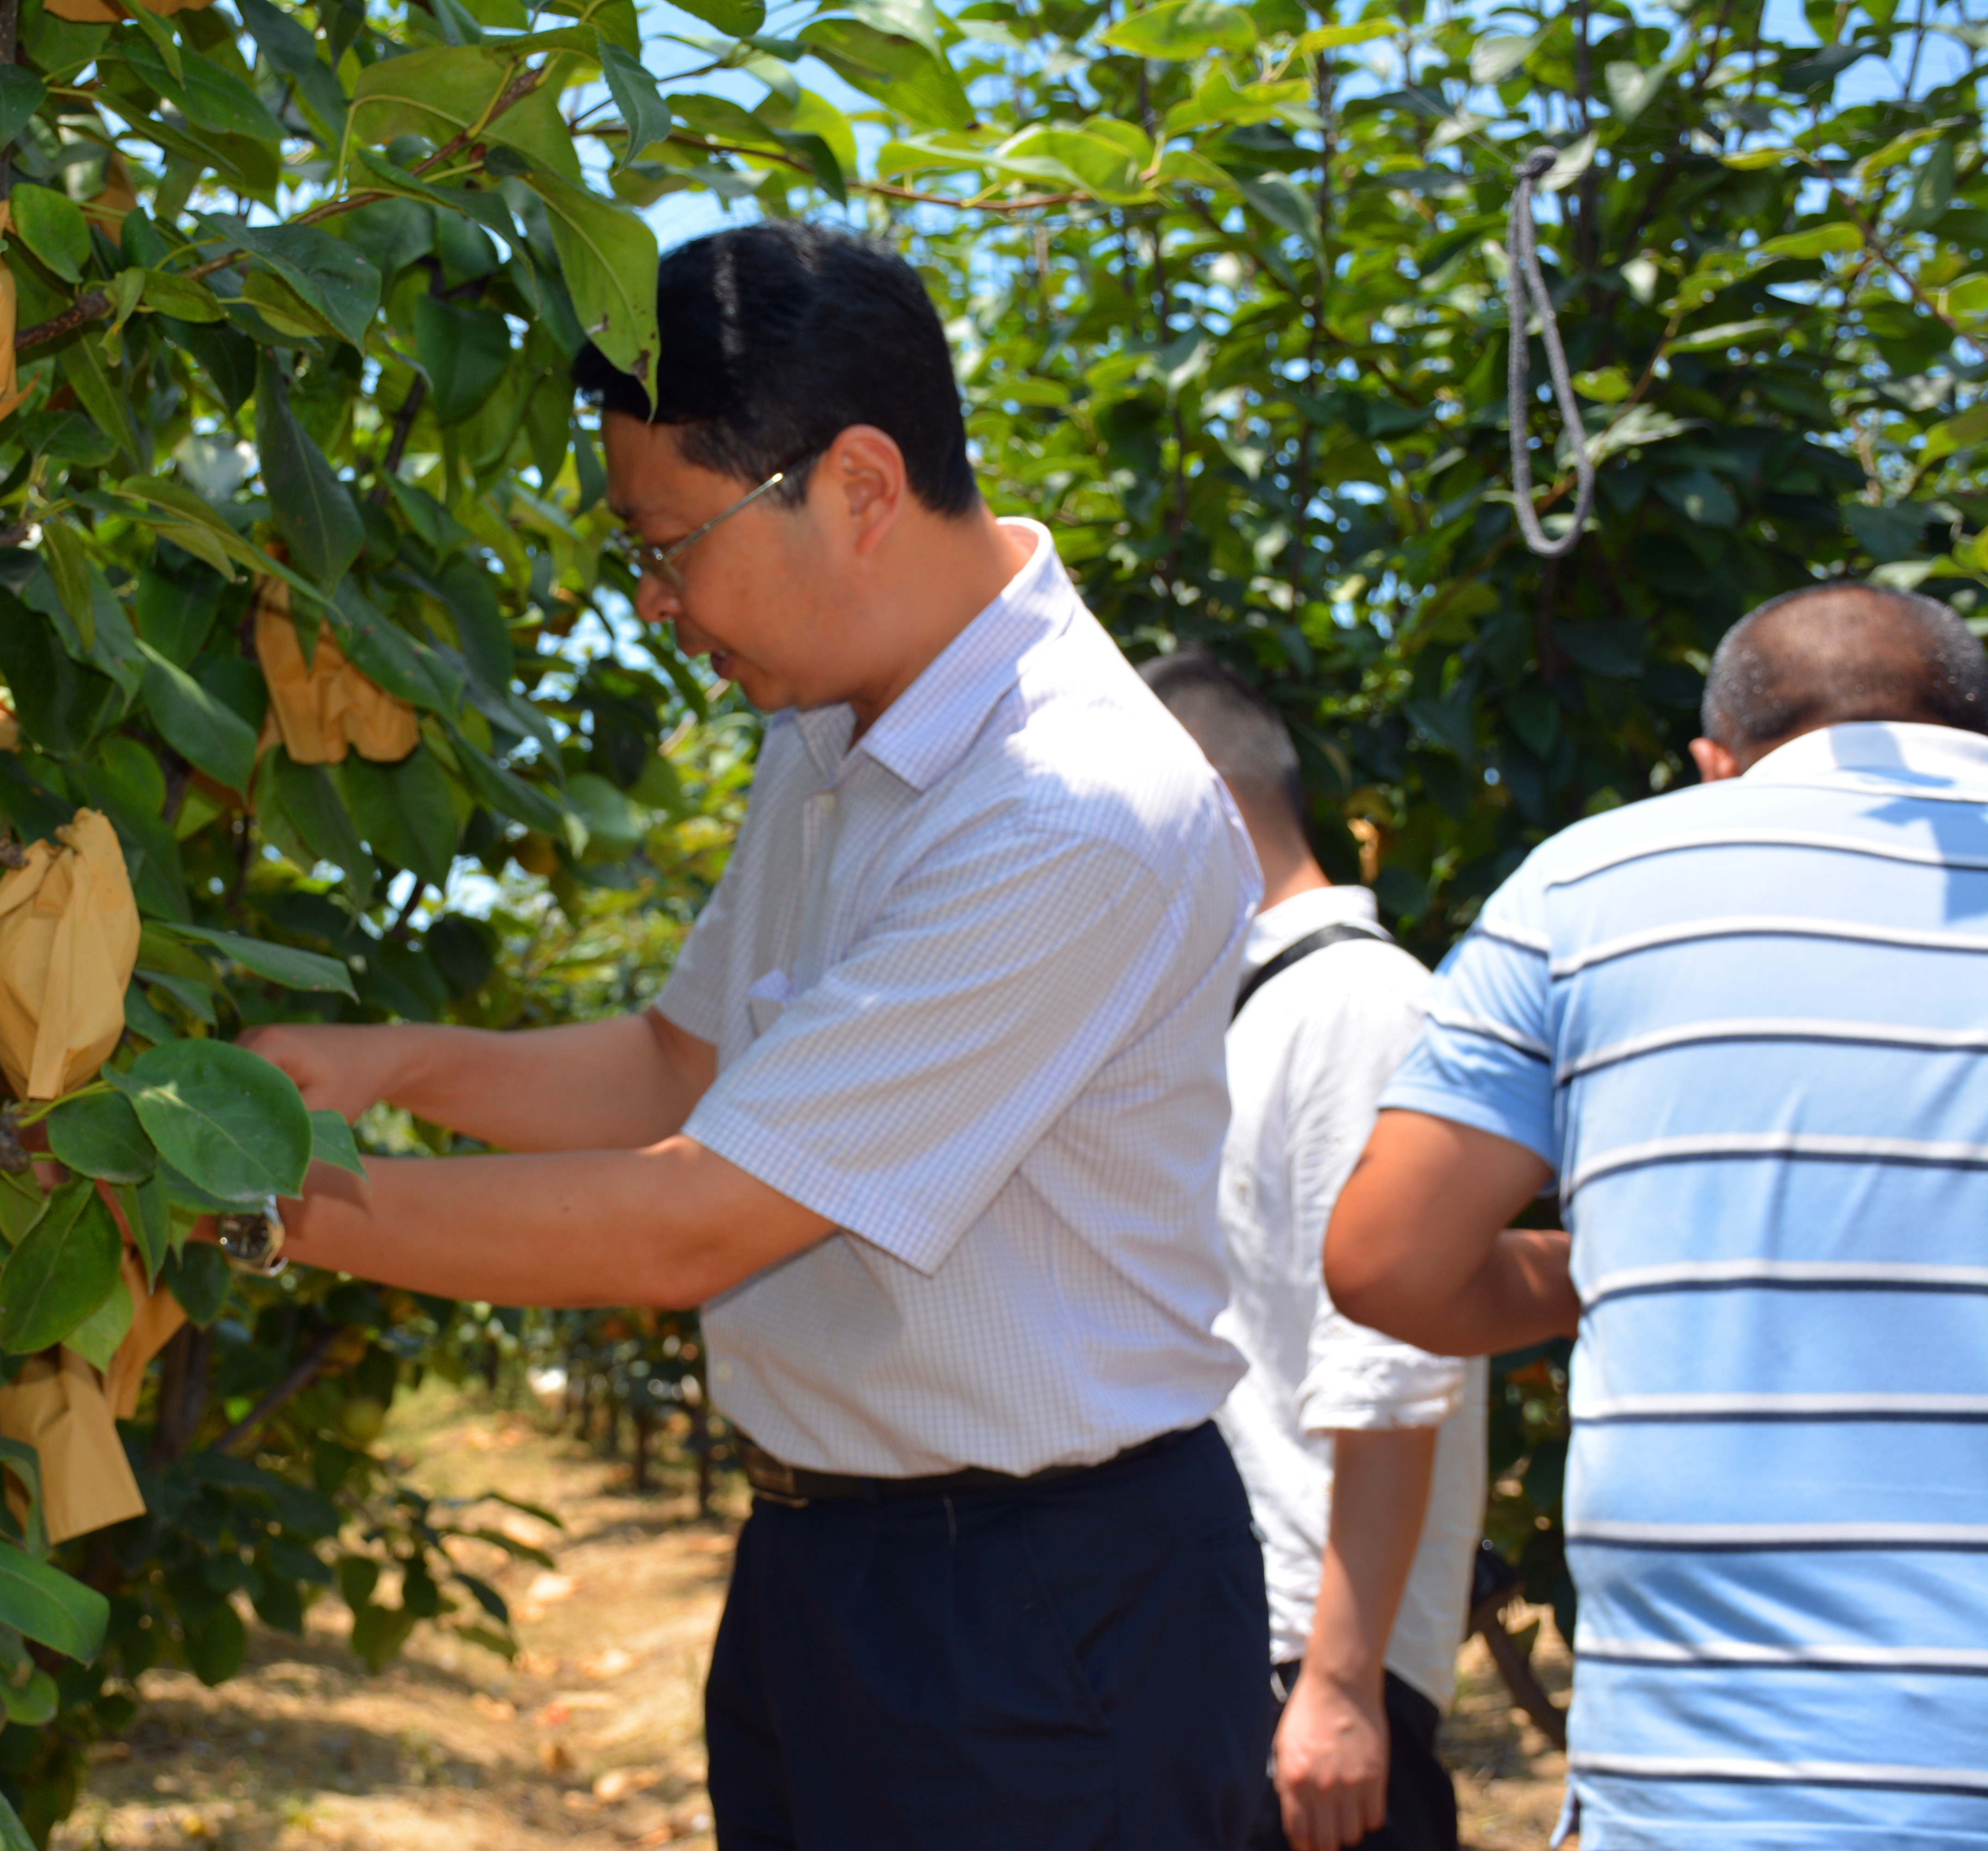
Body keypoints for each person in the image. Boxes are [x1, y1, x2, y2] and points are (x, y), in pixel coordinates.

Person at [231, 220, 1276, 1846]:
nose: (655, 604)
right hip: (826, 1564)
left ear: (859, 485)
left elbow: (694, 1220)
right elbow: (680, 1068)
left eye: (670, 544)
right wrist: (388, 1063)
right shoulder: (831, 722)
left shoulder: (1071, 815)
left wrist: (258, 1200)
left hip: (1040, 1612)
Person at [1321, 583, 1988, 1850]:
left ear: (1714, 763)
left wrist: (1621, 1267)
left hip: (1716, 1786)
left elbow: (1387, 1266)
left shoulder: (1590, 890)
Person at [1138, 650, 1484, 1851]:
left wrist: (1338, 1687)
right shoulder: (1253, 1013)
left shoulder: (1357, 1008)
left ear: (1205, 806)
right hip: (1249, 1642)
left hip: (1315, 1668)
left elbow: (1386, 1363)